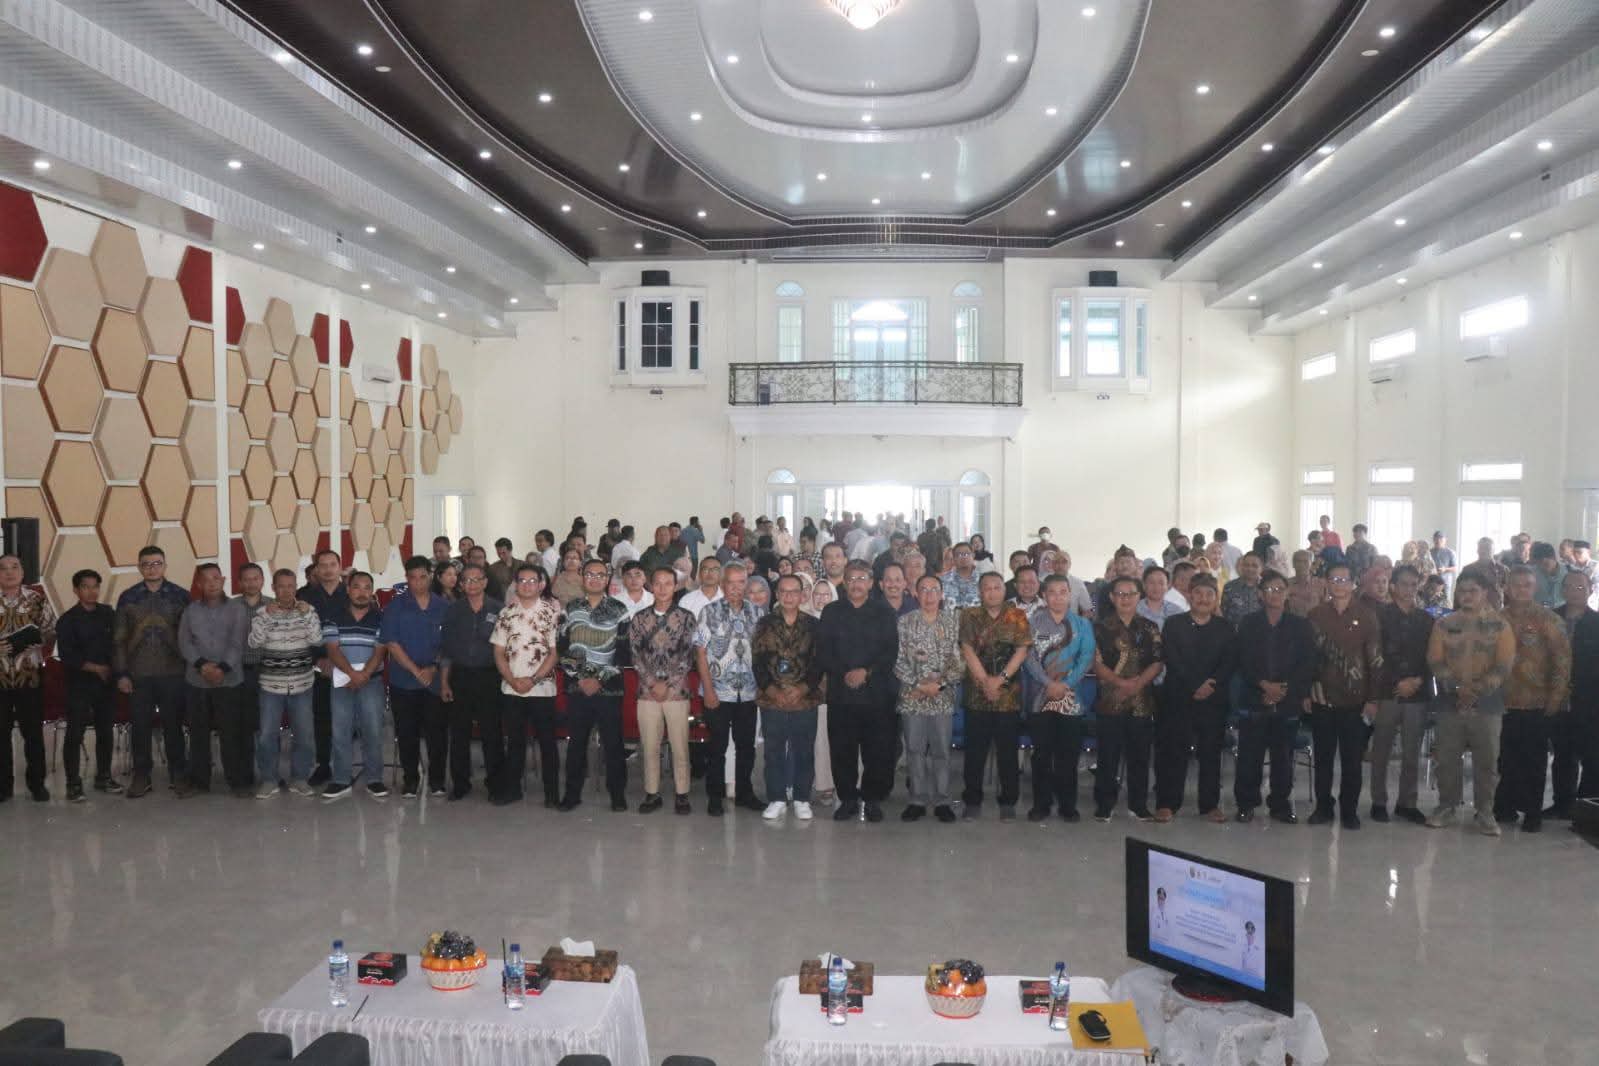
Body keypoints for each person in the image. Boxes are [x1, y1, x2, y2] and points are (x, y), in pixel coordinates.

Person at [1425, 571, 1516, 834]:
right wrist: (1456, 688)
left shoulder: (1500, 626)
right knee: (1446, 758)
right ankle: (1446, 806)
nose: (1466, 596)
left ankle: (1485, 812)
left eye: (1472, 590)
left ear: (1485, 593)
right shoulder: (1444, 624)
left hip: (1487, 704)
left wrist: (1477, 690)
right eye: (1462, 591)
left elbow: (1504, 664)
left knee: (1487, 761)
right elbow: (1435, 660)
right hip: (1449, 702)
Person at [817, 560, 900, 823]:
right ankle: (848, 799)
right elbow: (823, 651)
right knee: (842, 750)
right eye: (851, 579)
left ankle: (872, 799)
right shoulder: (831, 612)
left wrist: (867, 671)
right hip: (841, 693)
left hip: (877, 693)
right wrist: (845, 673)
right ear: (844, 582)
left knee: (878, 750)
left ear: (871, 583)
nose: (856, 584)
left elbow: (891, 651)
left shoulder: (884, 612)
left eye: (861, 578)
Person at [1234, 570, 1316, 823]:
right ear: (1260, 594)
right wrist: (1264, 686)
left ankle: (1279, 805)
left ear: (1287, 593)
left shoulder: (1300, 625)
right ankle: (1246, 804)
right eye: (1269, 589)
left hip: (1287, 700)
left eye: (1280, 589)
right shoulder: (1248, 623)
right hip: (1254, 698)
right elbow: (1242, 659)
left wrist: (1282, 689)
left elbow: (1307, 663)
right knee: (1249, 756)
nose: (1275, 594)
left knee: (1283, 758)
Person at [1493, 566, 1570, 832]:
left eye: (1526, 584)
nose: (1521, 589)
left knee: (1534, 761)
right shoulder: (1496, 619)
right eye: (1516, 584)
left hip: (1536, 702)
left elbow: (1562, 660)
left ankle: (1532, 812)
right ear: (1507, 587)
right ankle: (1504, 807)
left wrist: (1556, 696)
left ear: (1534, 588)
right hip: (1502, 702)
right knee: (1505, 759)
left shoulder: (1548, 619)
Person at [1305, 562, 1382, 830]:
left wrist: (1373, 699)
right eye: (1334, 579)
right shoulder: (1315, 615)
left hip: (1355, 701)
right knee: (1323, 758)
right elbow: (1307, 659)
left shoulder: (1367, 616)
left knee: (1352, 761)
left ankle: (1349, 810)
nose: (1339, 584)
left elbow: (1375, 661)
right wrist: (1305, 692)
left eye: (1344, 579)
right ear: (1327, 583)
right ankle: (1323, 807)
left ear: (1353, 584)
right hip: (1321, 698)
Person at [113, 544, 190, 798]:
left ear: (165, 566)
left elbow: (190, 636)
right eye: (146, 564)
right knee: (140, 727)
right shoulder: (128, 597)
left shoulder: (181, 596)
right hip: (139, 675)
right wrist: (122, 674)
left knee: (173, 726)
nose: (152, 568)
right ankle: (141, 775)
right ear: (139, 567)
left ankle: (178, 774)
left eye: (157, 563)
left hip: (173, 673)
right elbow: (119, 639)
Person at [1158, 573, 1235, 822]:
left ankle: (1209, 805)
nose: (1203, 599)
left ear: (1216, 598)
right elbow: (1172, 658)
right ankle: (1168, 803)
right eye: (1198, 593)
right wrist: (1195, 684)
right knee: (1174, 751)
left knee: (1210, 753)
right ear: (1189, 596)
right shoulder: (1174, 624)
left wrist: (1211, 684)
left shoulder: (1225, 627)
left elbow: (1229, 661)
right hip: (1178, 696)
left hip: (1213, 699)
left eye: (1209, 594)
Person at [557, 559, 631, 812]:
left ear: (607, 579)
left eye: (600, 575)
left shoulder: (620, 610)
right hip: (578, 688)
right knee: (576, 743)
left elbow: (624, 652)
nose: (595, 579)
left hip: (609, 688)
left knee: (613, 743)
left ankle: (617, 795)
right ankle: (572, 794)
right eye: (590, 574)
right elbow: (562, 647)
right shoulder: (571, 608)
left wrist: (598, 679)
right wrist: (581, 678)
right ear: (582, 577)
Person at [960, 571, 1033, 821]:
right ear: (980, 592)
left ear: (1004, 590)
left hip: (1007, 695)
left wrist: (999, 680)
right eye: (987, 588)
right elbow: (967, 649)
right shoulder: (969, 615)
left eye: (997, 587)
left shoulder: (1017, 616)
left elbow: (1021, 651)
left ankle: (1008, 801)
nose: (992, 592)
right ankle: (972, 800)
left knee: (1007, 752)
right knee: (975, 752)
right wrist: (985, 682)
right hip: (976, 693)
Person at [1024, 574, 1097, 823]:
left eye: (1062, 592)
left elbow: (1086, 657)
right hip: (1040, 698)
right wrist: (1049, 684)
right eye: (1052, 592)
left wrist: (1065, 684)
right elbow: (1028, 658)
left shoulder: (1082, 624)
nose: (1057, 597)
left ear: (1069, 594)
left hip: (1071, 698)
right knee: (1042, 754)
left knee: (1068, 754)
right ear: (1044, 596)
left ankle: (1068, 805)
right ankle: (1041, 804)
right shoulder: (1032, 623)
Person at [488, 563, 561, 807]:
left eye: (532, 581)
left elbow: (555, 653)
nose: (527, 585)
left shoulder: (552, 614)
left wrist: (533, 679)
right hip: (511, 689)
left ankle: (552, 794)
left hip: (542, 688)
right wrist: (512, 680)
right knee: (515, 742)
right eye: (522, 581)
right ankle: (512, 790)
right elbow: (498, 652)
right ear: (515, 584)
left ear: (541, 585)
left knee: (548, 743)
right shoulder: (506, 613)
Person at [1092, 575, 1165, 821]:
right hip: (1110, 698)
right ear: (1112, 597)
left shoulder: (1150, 627)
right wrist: (1121, 683)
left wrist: (1136, 685)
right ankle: (1105, 804)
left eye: (1131, 594)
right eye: (1120, 594)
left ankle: (1138, 804)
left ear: (1139, 596)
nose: (1125, 599)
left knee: (1140, 755)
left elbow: (1157, 662)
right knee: (1108, 754)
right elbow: (1095, 662)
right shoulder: (1099, 627)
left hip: (1141, 699)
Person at [753, 574, 824, 820]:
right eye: (784, 591)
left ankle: (802, 798)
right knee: (773, 750)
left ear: (802, 595)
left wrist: (802, 689)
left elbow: (819, 663)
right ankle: (777, 798)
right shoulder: (764, 624)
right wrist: (773, 691)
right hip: (771, 699)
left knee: (803, 749)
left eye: (794, 591)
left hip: (805, 698)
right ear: (777, 594)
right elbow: (758, 662)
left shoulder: (814, 625)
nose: (789, 596)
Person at [695, 562, 764, 815]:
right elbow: (700, 653)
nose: (736, 588)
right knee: (717, 748)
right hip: (718, 693)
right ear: (723, 584)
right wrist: (708, 689)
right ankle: (715, 797)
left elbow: (763, 653)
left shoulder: (757, 613)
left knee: (747, 748)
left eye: (741, 582)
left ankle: (745, 793)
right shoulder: (709, 612)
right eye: (731, 583)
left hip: (749, 693)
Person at [893, 574, 963, 823]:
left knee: (942, 750)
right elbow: (897, 660)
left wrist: (939, 685)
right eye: (924, 589)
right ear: (916, 593)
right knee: (914, 750)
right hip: (912, 697)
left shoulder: (952, 622)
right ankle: (917, 800)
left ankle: (943, 800)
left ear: (942, 594)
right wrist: (920, 685)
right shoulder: (905, 622)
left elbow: (959, 662)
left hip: (942, 697)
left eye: (934, 589)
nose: (929, 595)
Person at [250, 568, 325, 798]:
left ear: (296, 587)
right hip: (271, 686)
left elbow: (317, 640)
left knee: (304, 735)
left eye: (290, 586)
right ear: (273, 588)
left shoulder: (308, 611)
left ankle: (300, 778)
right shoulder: (262, 613)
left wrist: (307, 615)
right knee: (267, 736)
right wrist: (267, 617)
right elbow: (254, 643)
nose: (286, 591)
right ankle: (269, 780)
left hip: (302, 684)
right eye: (281, 586)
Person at [630, 567, 698, 814]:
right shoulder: (639, 618)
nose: (662, 588)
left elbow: (688, 655)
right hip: (647, 692)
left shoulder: (687, 617)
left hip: (676, 692)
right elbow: (635, 655)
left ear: (676, 586)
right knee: (649, 746)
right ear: (650, 585)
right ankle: (652, 793)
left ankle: (682, 794)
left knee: (680, 746)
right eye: (657, 583)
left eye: (668, 583)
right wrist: (652, 683)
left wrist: (668, 683)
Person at [176, 563, 249, 798]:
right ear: (199, 584)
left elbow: (238, 643)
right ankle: (199, 782)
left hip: (230, 681)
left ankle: (237, 781)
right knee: (198, 733)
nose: (212, 583)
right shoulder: (191, 611)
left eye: (216, 578)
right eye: (206, 580)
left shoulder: (238, 609)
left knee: (232, 733)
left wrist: (222, 669)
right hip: (197, 681)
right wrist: (202, 666)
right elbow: (185, 642)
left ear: (223, 580)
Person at [1371, 564, 1434, 824]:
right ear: (1393, 586)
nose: (1409, 589)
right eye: (1404, 584)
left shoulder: (1427, 619)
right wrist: (1399, 681)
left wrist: (1417, 680)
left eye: (1414, 584)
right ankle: (1378, 801)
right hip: (1388, 691)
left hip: (1417, 692)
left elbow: (1434, 656)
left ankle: (1407, 803)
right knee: (1381, 749)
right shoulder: (1379, 616)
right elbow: (1375, 655)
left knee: (1412, 752)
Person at [381, 556, 449, 798]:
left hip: (434, 682)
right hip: (403, 681)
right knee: (406, 733)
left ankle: (437, 781)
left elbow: (448, 643)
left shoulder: (444, 606)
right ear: (406, 579)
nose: (418, 582)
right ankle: (411, 779)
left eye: (423, 577)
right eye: (413, 578)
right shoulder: (395, 607)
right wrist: (416, 670)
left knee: (437, 734)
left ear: (430, 576)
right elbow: (392, 643)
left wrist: (432, 667)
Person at [320, 570, 388, 801]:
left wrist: (364, 675)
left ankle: (374, 779)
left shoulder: (381, 618)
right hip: (342, 681)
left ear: (372, 591)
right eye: (357, 587)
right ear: (348, 590)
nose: (362, 592)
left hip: (372, 681)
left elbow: (380, 651)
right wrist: (351, 674)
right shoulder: (333, 616)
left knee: (373, 730)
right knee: (341, 731)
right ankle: (341, 779)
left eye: (367, 588)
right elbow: (332, 649)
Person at [438, 563, 502, 801]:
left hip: (490, 676)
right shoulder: (453, 610)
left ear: (485, 582)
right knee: (459, 733)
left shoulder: (499, 609)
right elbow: (446, 650)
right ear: (461, 584)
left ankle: (495, 783)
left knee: (491, 732)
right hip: (461, 676)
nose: (472, 584)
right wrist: (444, 683)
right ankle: (460, 783)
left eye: (477, 579)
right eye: (467, 580)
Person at [56, 568, 119, 801]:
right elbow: (67, 655)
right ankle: (73, 783)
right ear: (76, 590)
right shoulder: (67, 620)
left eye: (95, 586)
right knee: (75, 734)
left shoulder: (108, 614)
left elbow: (117, 644)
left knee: (105, 732)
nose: (92, 591)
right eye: (85, 587)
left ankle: (104, 776)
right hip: (79, 684)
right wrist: (97, 668)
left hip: (106, 683)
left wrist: (112, 668)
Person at [0, 555, 56, 803]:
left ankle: (37, 785)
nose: (9, 572)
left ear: (23, 572)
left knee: (32, 733)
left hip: (29, 677)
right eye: (3, 568)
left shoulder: (36, 599)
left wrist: (37, 640)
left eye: (15, 567)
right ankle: (3, 787)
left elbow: (52, 631)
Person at [296, 550, 348, 788]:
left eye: (332, 564)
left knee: (345, 719)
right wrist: (319, 659)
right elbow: (300, 633)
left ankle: (344, 767)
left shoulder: (351, 593)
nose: (328, 570)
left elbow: (356, 628)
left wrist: (336, 660)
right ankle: (324, 764)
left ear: (340, 567)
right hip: (315, 668)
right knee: (321, 718)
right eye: (323, 565)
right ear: (316, 569)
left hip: (346, 665)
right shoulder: (304, 597)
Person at [1549, 570, 1599, 818]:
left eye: (1581, 587)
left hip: (1589, 699)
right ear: (1562, 590)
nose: (1575, 591)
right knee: (1562, 754)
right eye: (1569, 586)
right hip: (1556, 699)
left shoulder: (1596, 622)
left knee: (1592, 755)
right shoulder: (1551, 619)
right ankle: (1562, 804)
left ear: (1590, 590)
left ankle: (1586, 808)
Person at [1461, 537, 1508, 608]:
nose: (1484, 551)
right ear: (1477, 550)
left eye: (1487, 548)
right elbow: (1460, 592)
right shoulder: (1468, 569)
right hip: (1473, 609)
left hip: (1496, 610)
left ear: (1493, 550)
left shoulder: (1503, 569)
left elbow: (1509, 592)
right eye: (1481, 548)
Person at [1221, 552, 1265, 622]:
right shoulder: (1230, 587)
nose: (1250, 569)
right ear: (1242, 566)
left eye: (1254, 566)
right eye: (1246, 565)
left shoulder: (1266, 588)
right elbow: (1223, 613)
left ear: (1262, 568)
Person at [1287, 550, 1327, 617]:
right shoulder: (1286, 584)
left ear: (1311, 564)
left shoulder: (1320, 584)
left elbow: (1326, 607)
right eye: (1298, 561)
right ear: (1293, 564)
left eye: (1305, 561)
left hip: (1314, 621)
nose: (1301, 565)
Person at [1530, 542, 1565, 608]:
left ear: (1554, 558)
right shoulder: (1532, 573)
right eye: (1539, 564)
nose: (1542, 567)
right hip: (1540, 609)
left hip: (1563, 609)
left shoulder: (1569, 571)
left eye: (1546, 564)